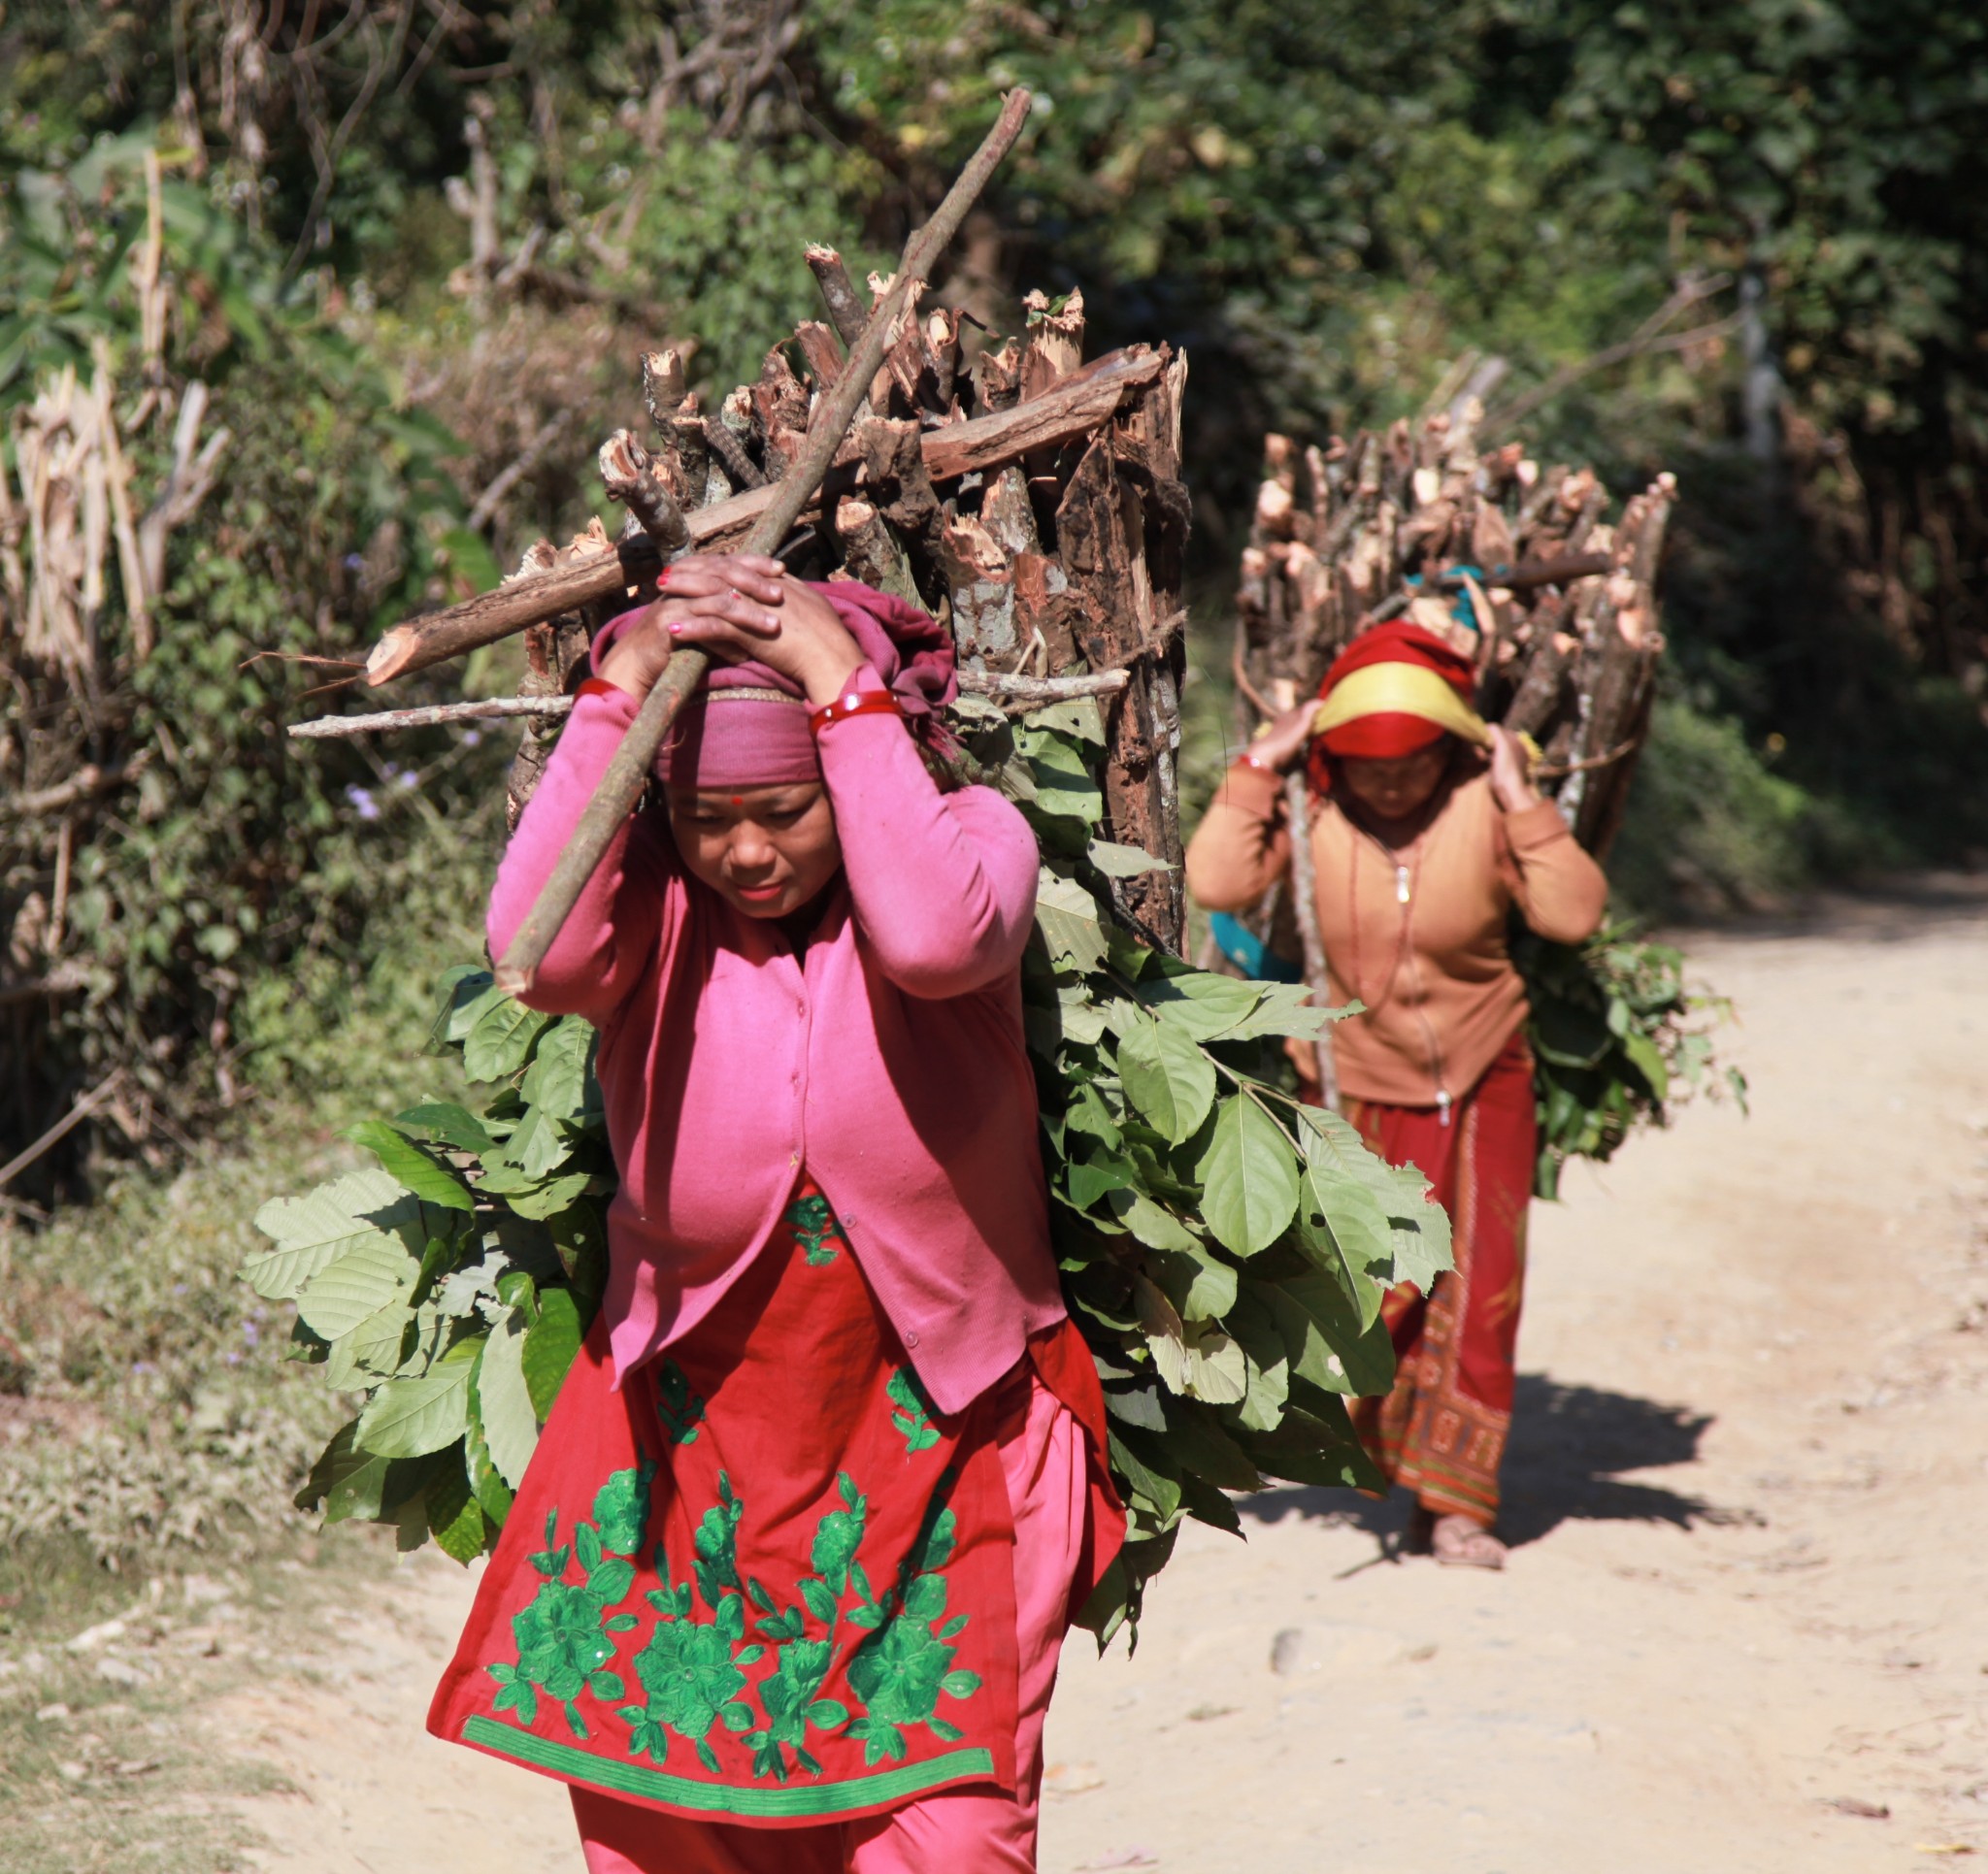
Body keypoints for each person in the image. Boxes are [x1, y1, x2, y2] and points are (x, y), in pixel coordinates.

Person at [428, 553, 1122, 1873]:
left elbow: (928, 939)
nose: (747, 849)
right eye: (709, 815)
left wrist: (837, 683)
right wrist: (616, 688)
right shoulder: (652, 905)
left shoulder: (972, 841)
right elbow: (538, 950)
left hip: (946, 1433)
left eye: (786, 809)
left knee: (951, 1826)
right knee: (684, 1822)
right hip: (685, 1453)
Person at [1183, 620, 1606, 1569]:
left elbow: (1571, 912)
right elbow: (1214, 876)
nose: (1387, 782)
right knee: (1385, 1291)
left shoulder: (1481, 809)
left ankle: (1456, 1502)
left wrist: (1518, 796)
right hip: (1360, 1094)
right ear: (1327, 753)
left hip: (1485, 1072)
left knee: (1483, 1290)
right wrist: (1260, 763)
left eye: (1411, 762)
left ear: (1450, 747)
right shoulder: (1308, 811)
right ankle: (1379, 1463)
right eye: (1363, 763)